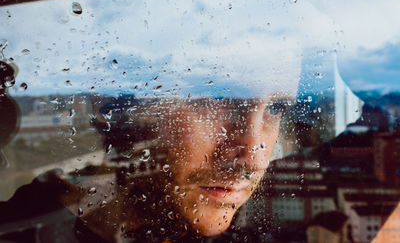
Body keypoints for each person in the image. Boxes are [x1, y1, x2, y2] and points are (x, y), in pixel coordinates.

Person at [0, 39, 302, 242]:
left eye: (276, 108)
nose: (253, 156)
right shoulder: (22, 228)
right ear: (115, 103)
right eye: (218, 97)